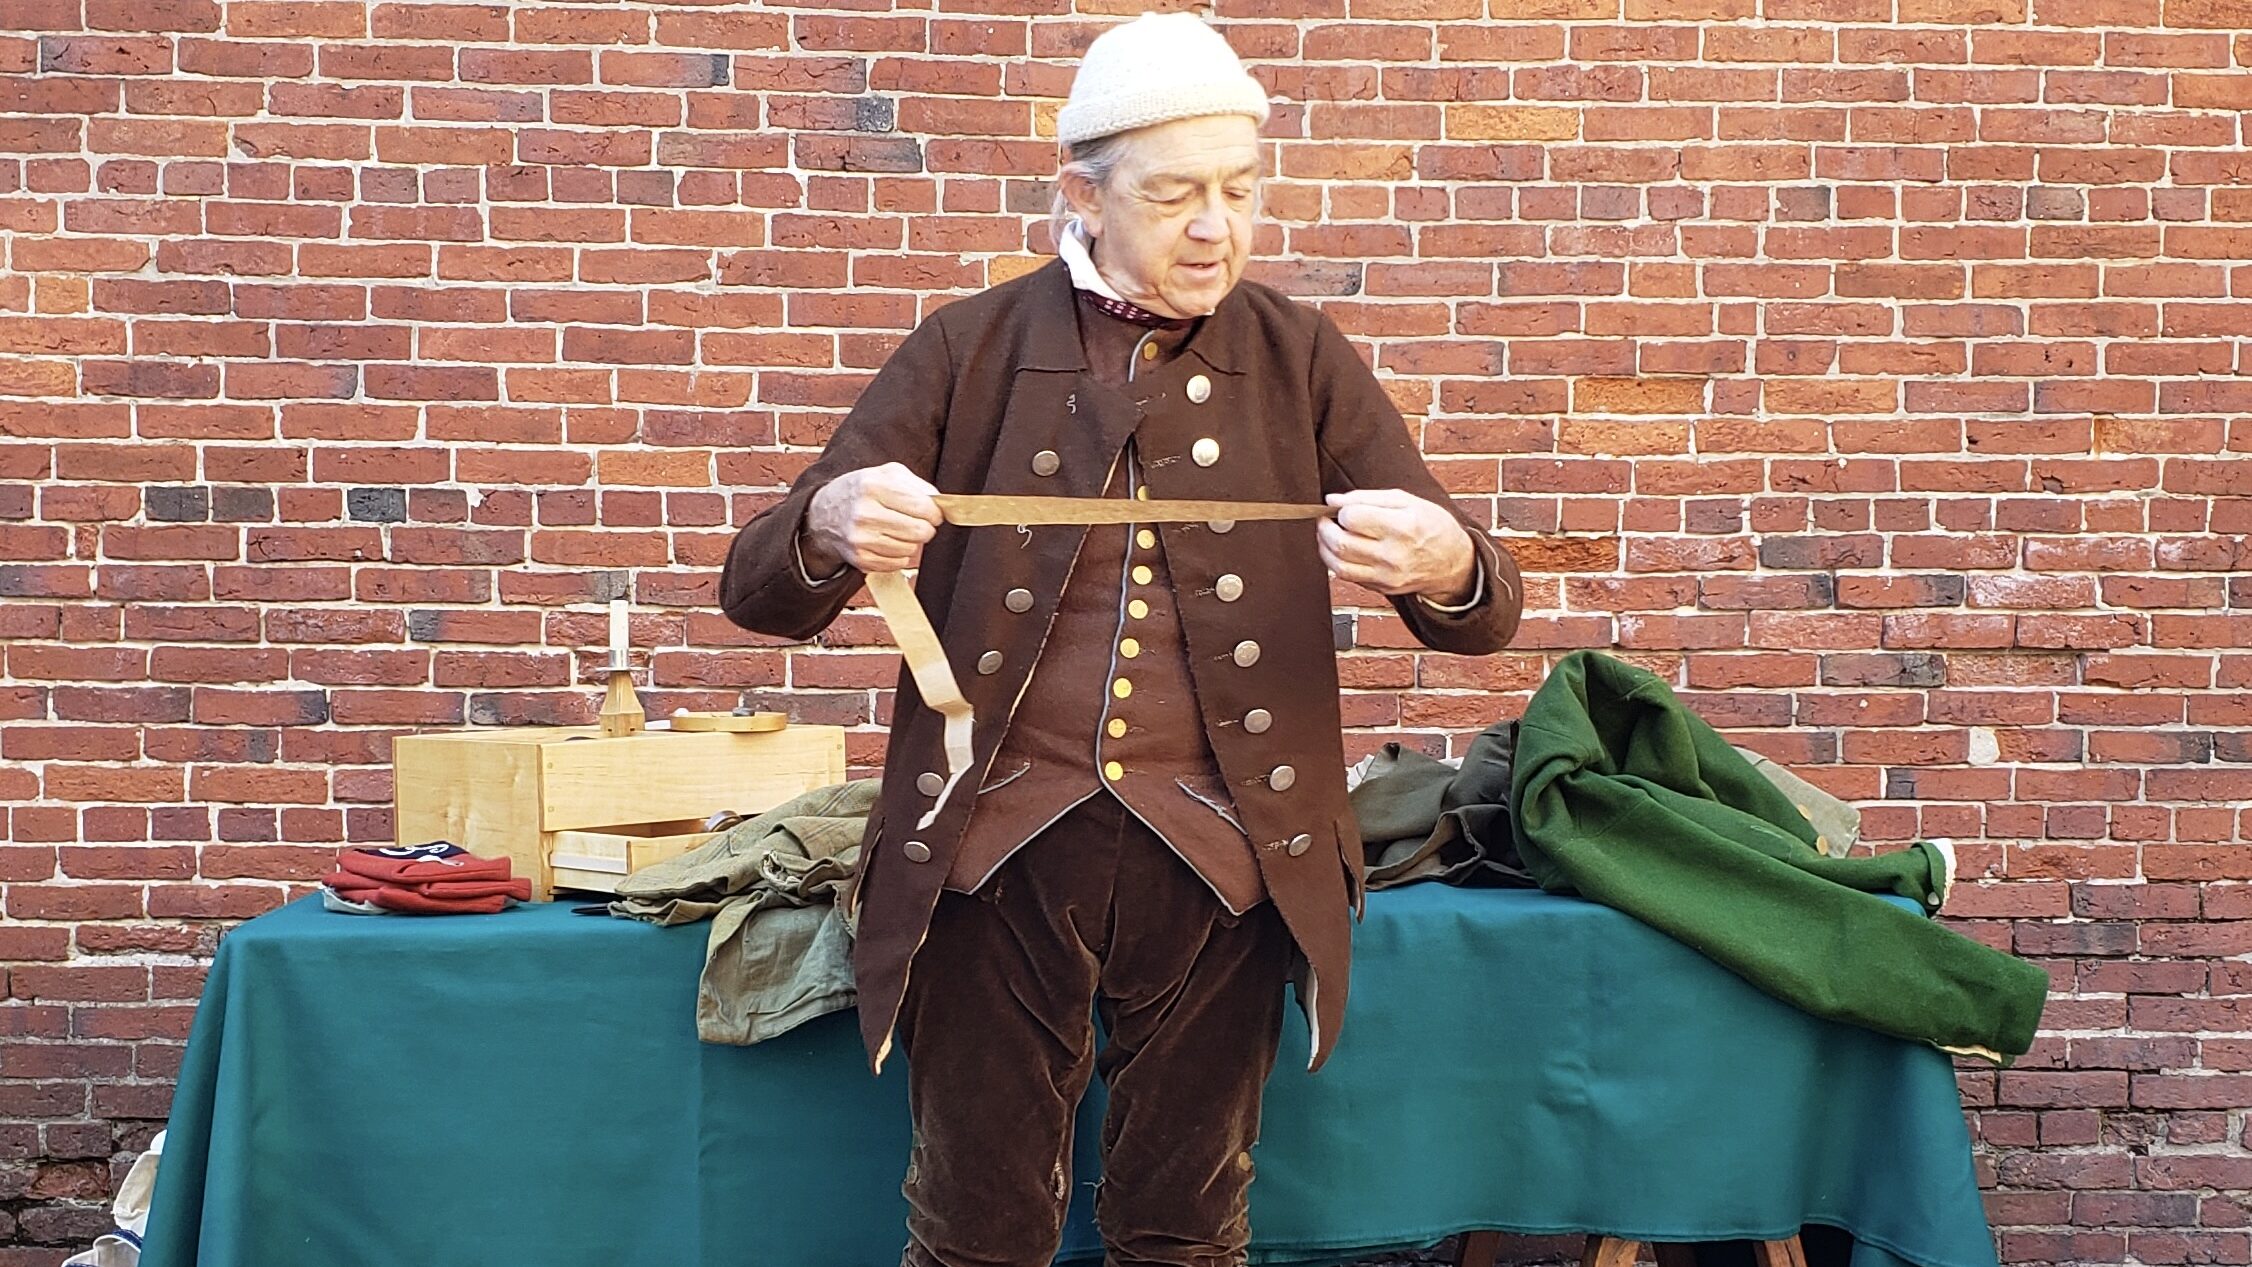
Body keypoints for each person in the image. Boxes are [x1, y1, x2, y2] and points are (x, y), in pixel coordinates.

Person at [717, 13, 1523, 1265]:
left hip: (1228, 857)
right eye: (1175, 195)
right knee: (975, 1227)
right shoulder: (967, 344)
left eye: (1239, 191)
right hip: (993, 855)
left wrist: (1446, 559)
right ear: (1080, 196)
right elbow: (760, 587)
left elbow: (1481, 606)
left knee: (1186, 1228)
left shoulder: (1299, 354)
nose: (1216, 226)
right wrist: (828, 520)